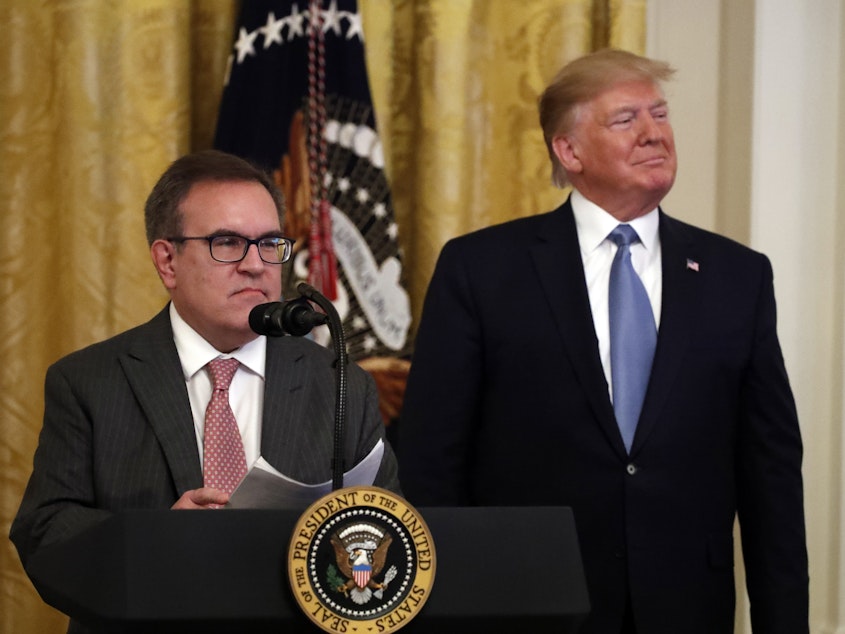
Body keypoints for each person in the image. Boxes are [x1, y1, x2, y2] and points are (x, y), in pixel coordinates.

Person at [398, 49, 808, 634]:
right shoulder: (482, 269)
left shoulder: (737, 275)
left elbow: (771, 473)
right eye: (626, 120)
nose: (654, 134)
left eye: (660, 115)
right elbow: (433, 462)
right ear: (569, 151)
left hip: (687, 607)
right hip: (526, 603)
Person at [11, 150, 400, 629]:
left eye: (269, 243)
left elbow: (391, 533)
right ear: (167, 261)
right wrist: (158, 539)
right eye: (228, 242)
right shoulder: (89, 381)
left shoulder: (341, 382)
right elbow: (44, 536)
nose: (256, 265)